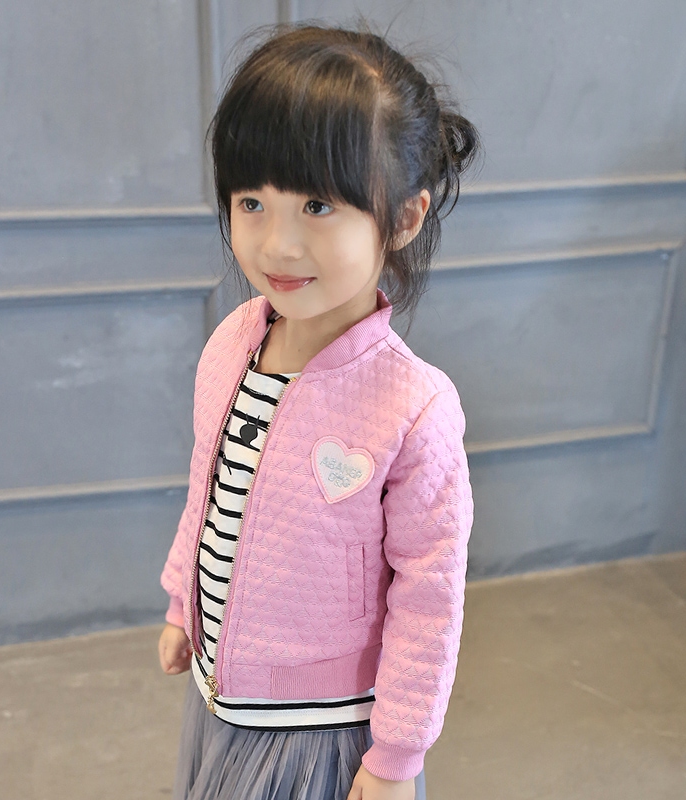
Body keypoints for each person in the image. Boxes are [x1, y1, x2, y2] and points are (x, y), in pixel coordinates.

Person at [158, 22, 479, 800]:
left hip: (324, 735)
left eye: (316, 205)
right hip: (223, 703)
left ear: (403, 219)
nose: (278, 244)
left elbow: (428, 599)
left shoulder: (414, 407)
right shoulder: (234, 343)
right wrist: (182, 603)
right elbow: (208, 488)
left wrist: (396, 753)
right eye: (252, 202)